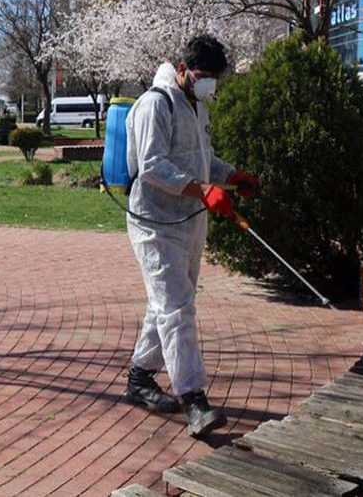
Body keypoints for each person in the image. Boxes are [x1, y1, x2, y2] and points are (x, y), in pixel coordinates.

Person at [123, 35, 260, 438]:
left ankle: (140, 377)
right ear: (182, 69)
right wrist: (201, 189)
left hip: (189, 221)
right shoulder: (156, 103)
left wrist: (230, 175)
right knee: (177, 306)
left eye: (213, 80)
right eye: (202, 77)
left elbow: (202, 159)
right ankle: (194, 399)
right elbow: (151, 166)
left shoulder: (195, 106)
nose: (208, 86)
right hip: (154, 223)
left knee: (168, 302)